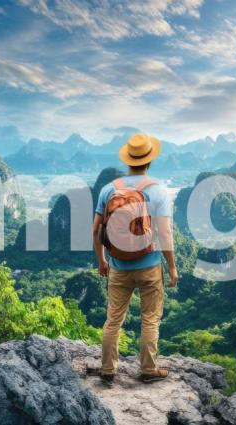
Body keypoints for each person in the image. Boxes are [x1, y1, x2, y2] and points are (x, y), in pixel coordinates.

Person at [92, 133, 178, 384]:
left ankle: (108, 370)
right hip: (150, 265)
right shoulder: (159, 191)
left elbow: (96, 230)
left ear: (127, 160)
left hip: (118, 266)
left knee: (113, 320)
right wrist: (171, 267)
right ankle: (148, 370)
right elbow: (164, 232)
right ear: (149, 161)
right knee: (150, 319)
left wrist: (102, 261)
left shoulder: (109, 189)